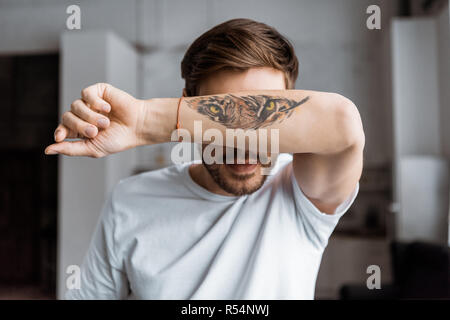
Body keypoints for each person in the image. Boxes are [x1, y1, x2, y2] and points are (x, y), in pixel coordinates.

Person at [45, 18, 364, 299]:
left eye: (261, 117)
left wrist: (145, 120)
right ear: (190, 106)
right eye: (222, 121)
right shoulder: (129, 200)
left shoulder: (301, 193)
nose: (244, 144)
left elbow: (343, 122)